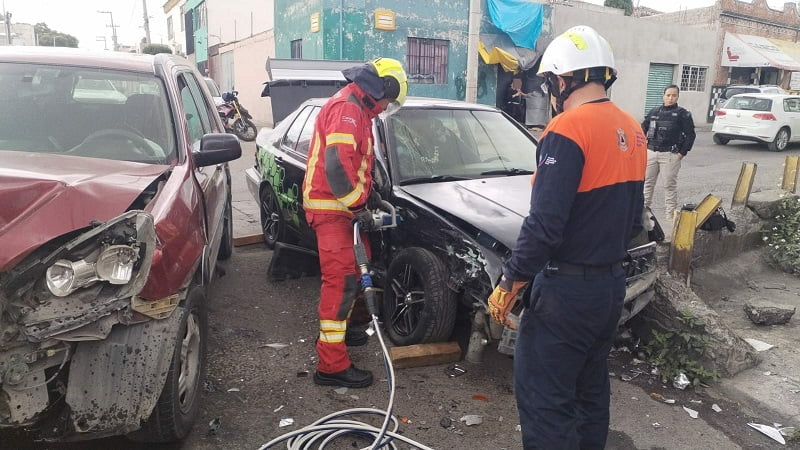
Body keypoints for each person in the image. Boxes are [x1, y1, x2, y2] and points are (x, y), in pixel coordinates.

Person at [486, 26, 647, 448]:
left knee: (545, 402)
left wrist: (509, 283)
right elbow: (634, 221)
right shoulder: (633, 129)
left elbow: (544, 225)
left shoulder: (566, 129)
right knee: (590, 395)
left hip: (566, 295)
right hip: (610, 288)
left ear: (560, 81)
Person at [301, 57, 407, 389]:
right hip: (332, 210)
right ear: (383, 87)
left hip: (342, 210)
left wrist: (370, 194)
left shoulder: (358, 109)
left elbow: (353, 164)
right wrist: (359, 205)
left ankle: (345, 333)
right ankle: (331, 366)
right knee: (342, 281)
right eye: (390, 99)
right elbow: (335, 166)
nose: (387, 106)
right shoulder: (348, 110)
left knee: (356, 273)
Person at [642, 84, 696, 224]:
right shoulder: (654, 112)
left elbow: (690, 135)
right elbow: (642, 129)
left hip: (670, 155)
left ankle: (670, 219)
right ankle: (642, 215)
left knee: (669, 187)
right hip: (651, 152)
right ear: (663, 95)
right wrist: (643, 148)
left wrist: (681, 153)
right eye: (668, 95)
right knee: (647, 184)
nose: (670, 98)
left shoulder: (682, 114)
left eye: (674, 95)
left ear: (677, 97)